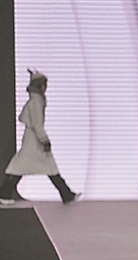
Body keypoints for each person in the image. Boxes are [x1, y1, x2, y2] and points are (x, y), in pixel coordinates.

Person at [1, 70, 80, 206]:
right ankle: (4, 194)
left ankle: (66, 194)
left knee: (35, 167)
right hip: (34, 141)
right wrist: (44, 140)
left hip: (33, 140)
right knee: (27, 167)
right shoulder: (36, 102)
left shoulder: (36, 101)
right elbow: (37, 124)